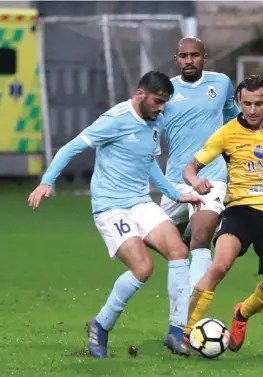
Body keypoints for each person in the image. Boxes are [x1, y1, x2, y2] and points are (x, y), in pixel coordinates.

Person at [27, 71, 204, 357]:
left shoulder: (154, 123)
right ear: (140, 95)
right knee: (143, 268)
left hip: (141, 202)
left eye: (165, 104)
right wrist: (48, 180)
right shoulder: (115, 119)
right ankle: (101, 324)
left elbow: (149, 164)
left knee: (178, 250)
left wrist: (174, 194)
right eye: (158, 102)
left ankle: (175, 332)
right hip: (111, 207)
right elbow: (71, 147)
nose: (161, 109)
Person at [181, 74, 263, 352]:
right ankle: (186, 330)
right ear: (239, 101)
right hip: (239, 210)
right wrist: (195, 181)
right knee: (220, 265)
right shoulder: (226, 132)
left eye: (258, 104)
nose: (251, 110)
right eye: (246, 103)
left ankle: (242, 314)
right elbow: (190, 168)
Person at [160, 37, 240, 339]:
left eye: (195, 55)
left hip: (213, 175)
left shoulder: (221, 84)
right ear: (176, 58)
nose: (189, 60)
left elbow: (235, 120)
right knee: (163, 244)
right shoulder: (165, 90)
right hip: (174, 180)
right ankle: (184, 271)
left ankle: (184, 319)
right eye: (184, 56)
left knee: (202, 234)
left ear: (205, 57)